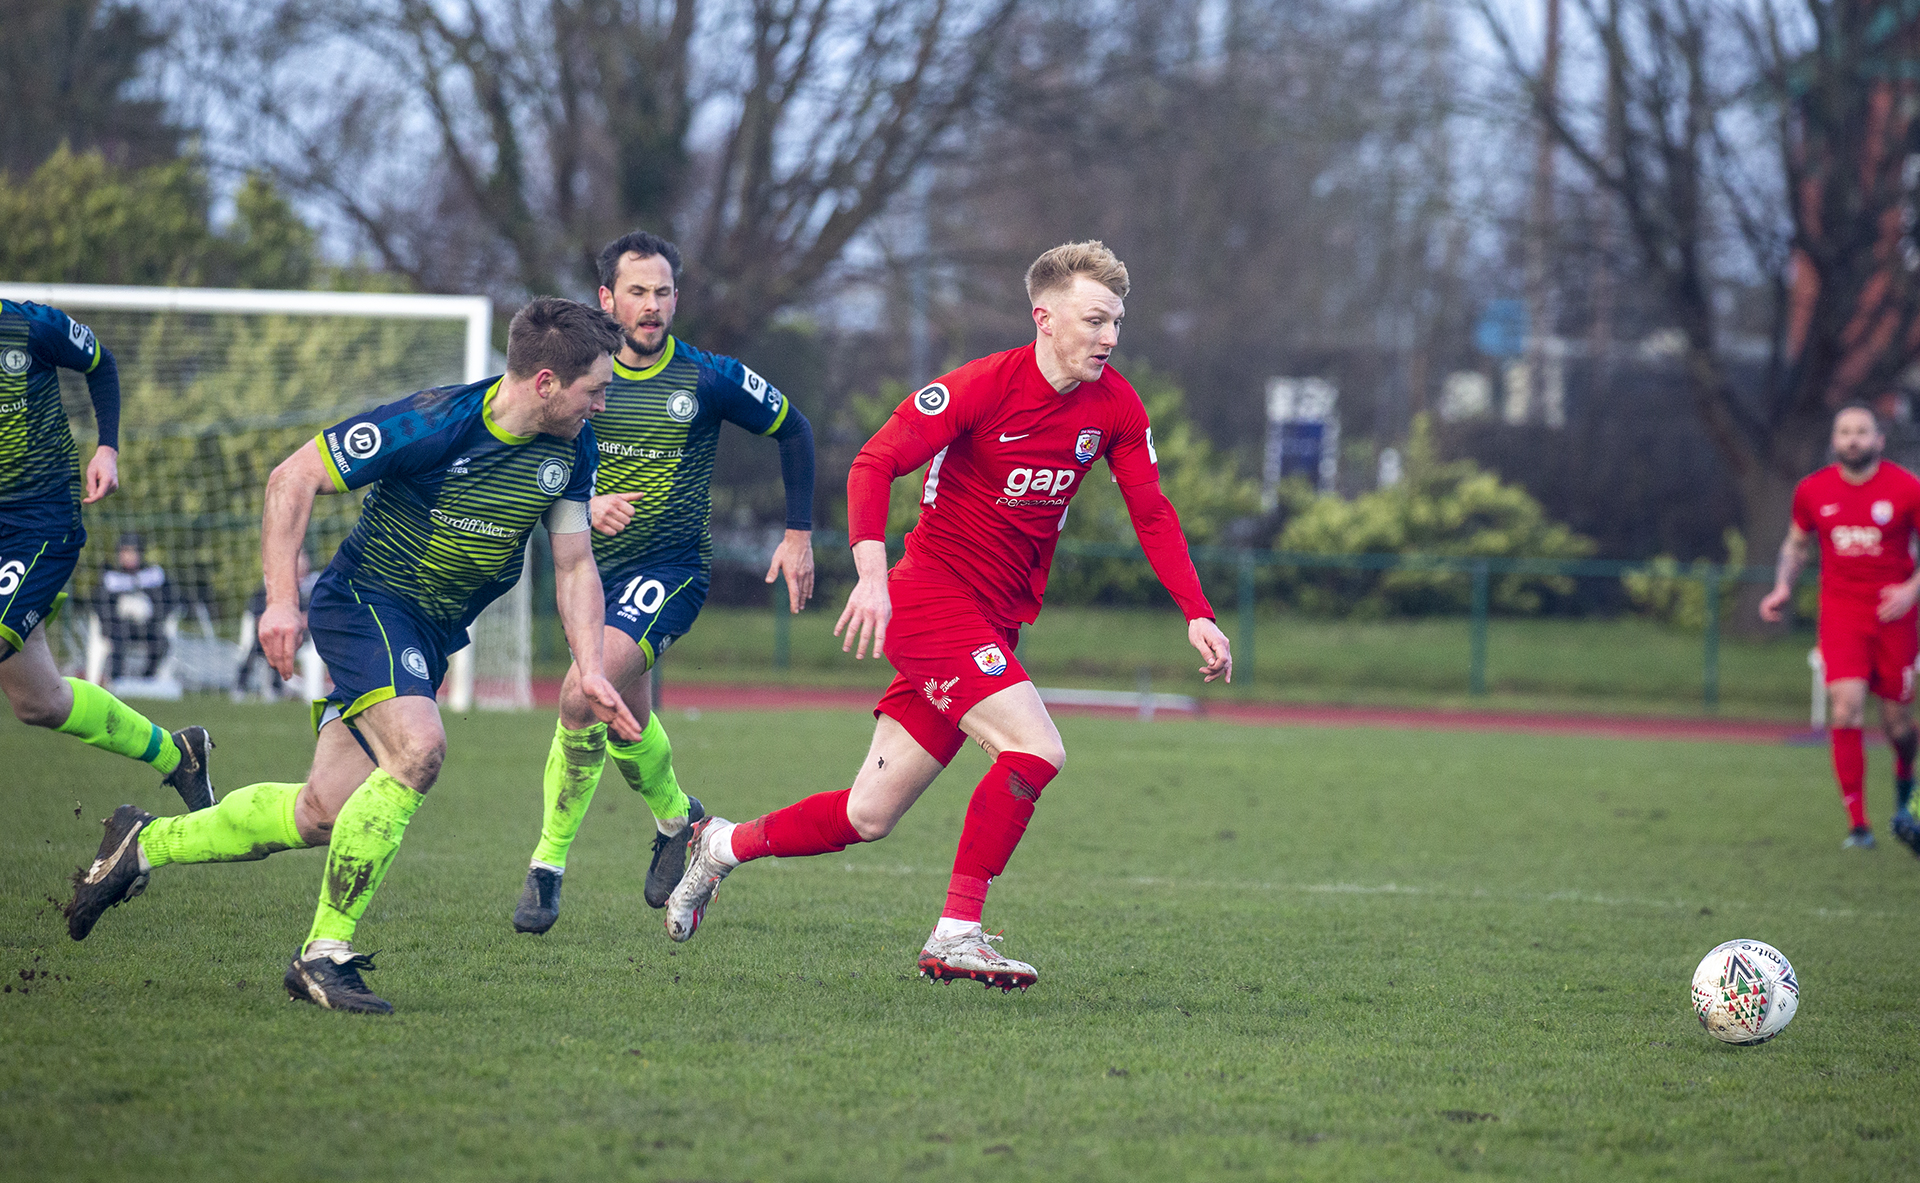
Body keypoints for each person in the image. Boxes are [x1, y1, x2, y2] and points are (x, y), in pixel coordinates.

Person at [663, 241, 1233, 989]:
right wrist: (871, 575)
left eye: (1117, 321)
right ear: (1045, 318)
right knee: (1037, 749)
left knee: (868, 813)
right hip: (931, 600)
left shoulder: (1116, 406)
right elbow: (873, 461)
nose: (1110, 337)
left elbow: (1152, 511)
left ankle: (721, 845)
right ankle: (957, 931)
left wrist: (1196, 610)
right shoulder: (981, 387)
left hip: (993, 622)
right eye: (1096, 320)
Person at [64, 297, 644, 1015]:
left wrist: (589, 665)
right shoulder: (433, 421)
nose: (606, 400)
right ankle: (323, 953)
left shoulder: (574, 449)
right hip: (367, 603)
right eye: (598, 387)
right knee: (421, 748)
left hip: (426, 636)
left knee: (320, 813)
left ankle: (142, 845)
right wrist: (281, 600)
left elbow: (575, 565)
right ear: (549, 382)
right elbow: (291, 476)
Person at [510, 231, 817, 934]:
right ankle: (683, 821)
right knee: (626, 719)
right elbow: (523, 461)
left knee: (579, 693)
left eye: (664, 292)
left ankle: (546, 868)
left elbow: (794, 428)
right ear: (606, 298)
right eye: (638, 291)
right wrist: (582, 507)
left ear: (678, 297)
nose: (651, 306)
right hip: (586, 570)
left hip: (669, 572)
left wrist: (798, 535)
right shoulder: (571, 380)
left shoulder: (707, 377)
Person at [0, 299, 213, 810]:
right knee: (39, 702)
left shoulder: (27, 326)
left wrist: (107, 448)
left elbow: (101, 363)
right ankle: (178, 753)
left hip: (40, 522)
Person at [1761, 402, 1920, 854]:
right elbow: (1795, 545)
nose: (1853, 439)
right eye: (1845, 432)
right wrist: (1781, 587)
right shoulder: (1812, 490)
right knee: (1845, 708)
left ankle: (1905, 784)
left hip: (1895, 618)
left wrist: (1911, 590)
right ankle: (1858, 825)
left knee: (1898, 726)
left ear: (1878, 440)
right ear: (1834, 441)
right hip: (1842, 614)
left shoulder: (1906, 489)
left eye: (1862, 431)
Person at [235, 549, 319, 698]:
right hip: (270, 635)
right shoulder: (267, 588)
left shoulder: (312, 586)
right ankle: (244, 687)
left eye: (303, 558)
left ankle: (281, 689)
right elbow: (256, 614)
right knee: (265, 645)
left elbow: (312, 615)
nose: (301, 563)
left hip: (303, 638)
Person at [96, 532, 173, 680]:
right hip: (118, 627)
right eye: (125, 552)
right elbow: (100, 606)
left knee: (161, 642)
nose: (129, 556)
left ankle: (147, 679)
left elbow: (169, 602)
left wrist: (152, 614)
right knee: (117, 640)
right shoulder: (111, 578)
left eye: (133, 552)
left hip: (147, 626)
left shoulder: (153, 576)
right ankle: (117, 680)